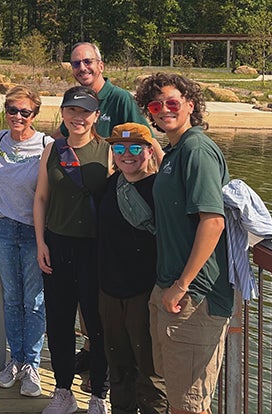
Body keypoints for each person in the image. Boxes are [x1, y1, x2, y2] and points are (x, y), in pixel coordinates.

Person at [61, 42, 159, 389]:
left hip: (124, 203)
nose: (82, 67)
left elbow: (147, 140)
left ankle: (126, 368)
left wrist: (162, 178)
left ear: (101, 64)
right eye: (76, 63)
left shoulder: (118, 99)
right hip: (94, 210)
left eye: (88, 61)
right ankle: (92, 350)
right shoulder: (76, 100)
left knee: (123, 294)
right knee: (94, 290)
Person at [135, 73, 232, 414]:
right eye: (155, 105)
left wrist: (182, 285)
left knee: (189, 404)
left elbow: (213, 221)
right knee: (177, 393)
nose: (164, 110)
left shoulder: (197, 150)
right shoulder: (177, 150)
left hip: (195, 296)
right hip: (171, 288)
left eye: (173, 102)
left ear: (191, 105)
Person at [34, 86, 112, 414]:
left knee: (97, 323)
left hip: (95, 249)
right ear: (63, 113)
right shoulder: (52, 149)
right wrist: (41, 242)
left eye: (85, 112)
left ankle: (99, 395)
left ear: (96, 116)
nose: (78, 118)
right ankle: (63, 392)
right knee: (60, 322)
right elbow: (40, 198)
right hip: (57, 244)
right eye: (72, 111)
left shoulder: (109, 152)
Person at [98, 123, 169, 414]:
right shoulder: (109, 186)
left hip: (144, 292)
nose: (127, 154)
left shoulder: (161, 189)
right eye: (119, 148)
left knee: (150, 371)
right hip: (109, 291)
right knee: (118, 367)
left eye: (136, 148)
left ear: (150, 151)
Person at [0, 85, 53, 398]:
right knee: (12, 298)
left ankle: (32, 365)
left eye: (24, 112)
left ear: (34, 114)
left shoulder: (46, 145)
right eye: (12, 110)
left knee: (34, 301)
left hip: (33, 232)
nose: (17, 116)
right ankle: (15, 360)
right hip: (2, 226)